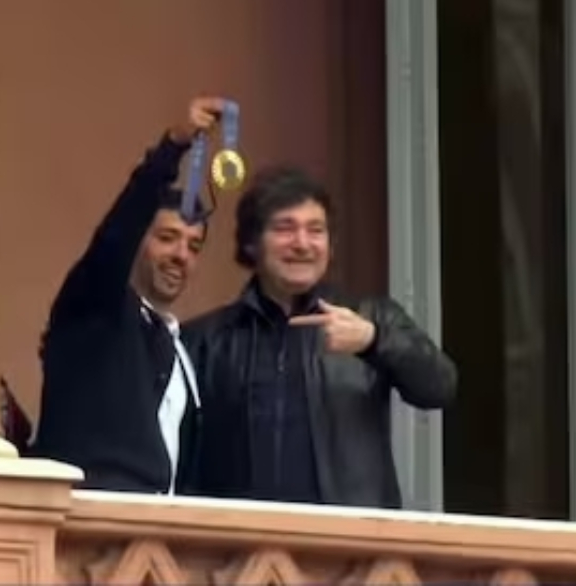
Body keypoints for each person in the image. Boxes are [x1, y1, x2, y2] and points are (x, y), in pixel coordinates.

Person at [182, 166, 458, 509]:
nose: (302, 244)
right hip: (240, 536)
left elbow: (440, 386)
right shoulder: (206, 340)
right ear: (252, 243)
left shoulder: (371, 318)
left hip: (346, 536)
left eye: (316, 230)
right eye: (285, 228)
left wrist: (374, 341)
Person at [30, 97, 223, 494]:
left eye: (194, 246)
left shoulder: (180, 347)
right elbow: (116, 235)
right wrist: (172, 148)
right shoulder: (96, 305)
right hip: (93, 516)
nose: (181, 255)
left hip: (161, 524)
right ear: (139, 241)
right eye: (167, 237)